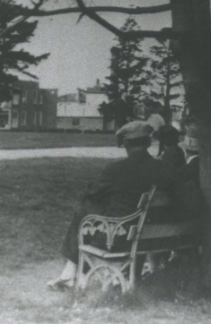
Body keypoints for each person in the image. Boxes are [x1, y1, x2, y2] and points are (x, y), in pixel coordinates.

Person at [47, 121, 178, 291]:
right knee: (94, 206)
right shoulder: (163, 169)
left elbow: (92, 192)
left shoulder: (116, 169)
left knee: (86, 206)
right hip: (154, 237)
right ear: (148, 142)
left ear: (126, 143)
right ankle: (69, 274)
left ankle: (69, 274)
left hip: (119, 237)